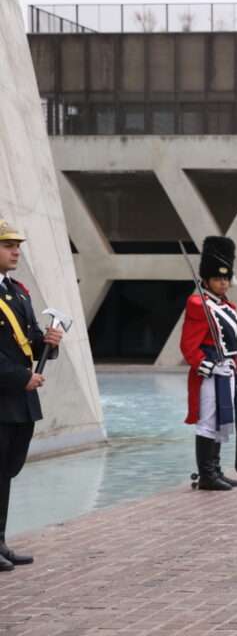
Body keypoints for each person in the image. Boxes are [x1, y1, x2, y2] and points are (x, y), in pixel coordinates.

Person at [0, 221, 63, 572]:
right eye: (8, 245)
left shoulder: (18, 291)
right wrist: (20, 377)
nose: (16, 251)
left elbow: (31, 340)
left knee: (7, 472)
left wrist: (48, 343)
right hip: (5, 394)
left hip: (20, 402)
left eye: (17, 245)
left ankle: (0, 540)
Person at [180, 236, 237, 492]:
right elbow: (188, 346)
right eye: (218, 279)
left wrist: (231, 369)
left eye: (226, 279)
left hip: (225, 370)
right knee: (207, 421)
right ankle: (206, 474)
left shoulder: (227, 306)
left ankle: (215, 469)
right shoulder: (198, 305)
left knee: (221, 421)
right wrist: (207, 366)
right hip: (208, 373)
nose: (223, 283)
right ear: (206, 280)